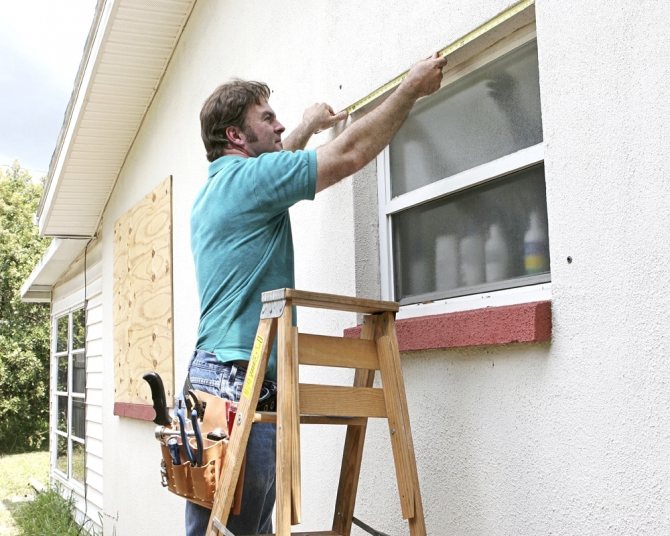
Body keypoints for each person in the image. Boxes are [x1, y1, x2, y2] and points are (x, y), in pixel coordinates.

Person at [185, 52, 448, 535]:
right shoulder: (250, 180)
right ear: (236, 137)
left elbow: (279, 162)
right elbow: (347, 154)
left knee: (219, 529)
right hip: (238, 382)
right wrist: (410, 87)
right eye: (268, 119)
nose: (280, 125)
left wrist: (306, 125)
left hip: (215, 377)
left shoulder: (216, 189)